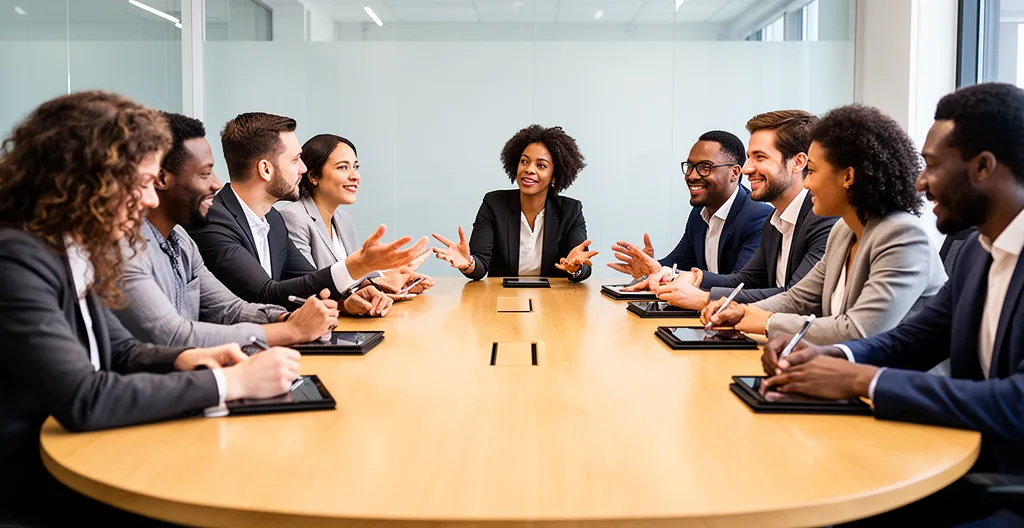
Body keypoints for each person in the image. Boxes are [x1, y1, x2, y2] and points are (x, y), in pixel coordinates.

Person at [0, 91, 301, 525]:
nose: (149, 201)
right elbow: (86, 398)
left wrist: (190, 358)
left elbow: (121, 351)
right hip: (32, 481)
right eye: (140, 183)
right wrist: (227, 382)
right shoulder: (17, 260)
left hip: (79, 456)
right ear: (87, 180)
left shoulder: (71, 250)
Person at [759, 82, 1024, 527]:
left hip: (1005, 485)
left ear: (982, 167)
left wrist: (862, 380)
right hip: (961, 460)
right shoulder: (980, 252)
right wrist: (824, 357)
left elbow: (1016, 402)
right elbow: (913, 340)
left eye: (934, 166)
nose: (921, 182)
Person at [701, 104, 947, 344]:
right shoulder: (843, 231)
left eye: (813, 171)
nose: (806, 184)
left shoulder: (902, 236)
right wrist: (740, 313)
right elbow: (798, 299)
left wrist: (766, 322)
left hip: (893, 380)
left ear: (848, 177)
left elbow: (858, 330)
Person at [114, 112, 343, 348]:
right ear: (160, 179)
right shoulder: (126, 250)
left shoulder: (181, 239)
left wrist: (284, 318)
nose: (216, 183)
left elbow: (229, 309)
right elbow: (174, 335)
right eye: (204, 173)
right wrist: (291, 330)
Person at [187, 112, 426, 315]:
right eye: (295, 160)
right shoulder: (212, 220)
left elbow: (308, 280)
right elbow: (265, 294)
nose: (302, 169)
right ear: (266, 169)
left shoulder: (273, 219)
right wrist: (359, 265)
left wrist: (347, 302)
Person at [639, 111, 838, 307]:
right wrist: (692, 278)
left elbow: (796, 297)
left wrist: (704, 299)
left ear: (798, 162)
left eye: (760, 157)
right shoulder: (774, 220)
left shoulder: (823, 219)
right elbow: (746, 281)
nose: (746, 169)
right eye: (749, 157)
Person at [433, 124, 598, 281]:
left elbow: (582, 265)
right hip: (504, 297)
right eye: (524, 161)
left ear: (554, 176)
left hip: (553, 300)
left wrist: (575, 268)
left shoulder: (571, 210)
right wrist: (468, 263)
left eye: (541, 165)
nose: (529, 169)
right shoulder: (494, 204)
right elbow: (480, 265)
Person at [279, 133, 433, 298]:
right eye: (343, 167)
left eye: (356, 167)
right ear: (314, 176)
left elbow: (350, 279)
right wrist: (381, 278)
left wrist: (392, 278)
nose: (355, 176)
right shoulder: (293, 217)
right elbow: (309, 286)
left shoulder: (344, 220)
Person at [609, 130, 773, 280]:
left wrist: (662, 272)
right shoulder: (699, 213)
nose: (692, 176)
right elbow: (677, 263)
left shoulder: (758, 217)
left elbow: (740, 282)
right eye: (690, 167)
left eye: (705, 167)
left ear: (734, 173)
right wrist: (648, 266)